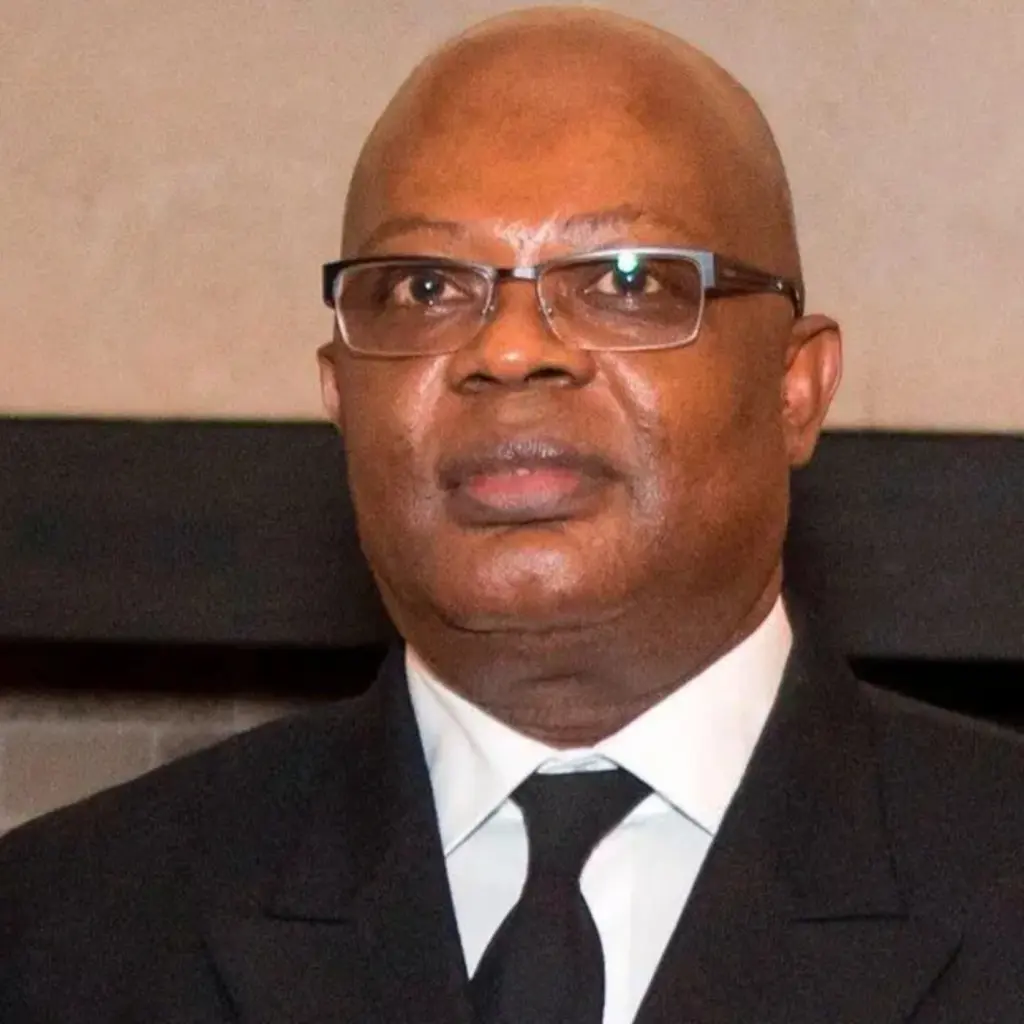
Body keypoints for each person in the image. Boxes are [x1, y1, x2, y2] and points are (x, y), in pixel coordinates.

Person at [2, 7, 1023, 1022]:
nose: (509, 350)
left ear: (796, 386)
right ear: (338, 393)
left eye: (626, 279)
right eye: (425, 286)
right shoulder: (61, 931)